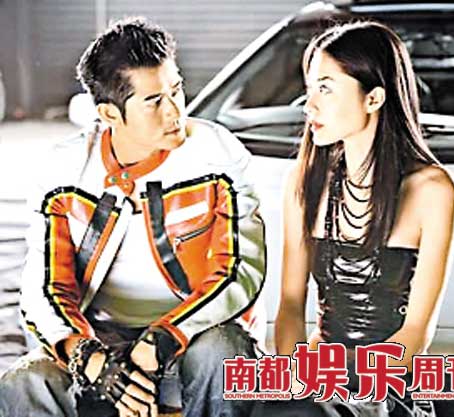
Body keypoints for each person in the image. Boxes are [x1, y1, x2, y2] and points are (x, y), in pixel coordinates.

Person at [0, 17, 266, 417]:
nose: (175, 110)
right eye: (154, 101)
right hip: (100, 346)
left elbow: (239, 271)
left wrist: (164, 338)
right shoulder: (64, 171)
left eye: (176, 89)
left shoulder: (217, 155)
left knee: (224, 351)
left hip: (194, 339)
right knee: (24, 383)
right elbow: (45, 287)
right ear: (109, 114)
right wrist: (90, 358)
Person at [272, 20, 454, 416]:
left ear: (373, 98)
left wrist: (350, 393)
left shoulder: (434, 190)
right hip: (318, 383)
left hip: (390, 385)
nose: (309, 105)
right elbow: (290, 305)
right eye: (310, 88)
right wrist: (299, 382)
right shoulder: (304, 182)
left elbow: (416, 332)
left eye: (325, 88)